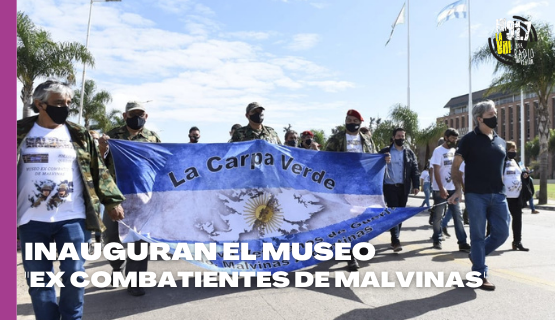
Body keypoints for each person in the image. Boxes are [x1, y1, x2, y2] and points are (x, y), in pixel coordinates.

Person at [17, 80, 125, 319]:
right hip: (31, 220)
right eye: (58, 103)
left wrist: (112, 201)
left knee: (74, 278)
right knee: (39, 282)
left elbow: (97, 170)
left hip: (72, 219)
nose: (64, 108)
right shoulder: (16, 132)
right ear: (39, 104)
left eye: (68, 103)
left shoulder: (78, 133)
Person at [99, 101, 161, 296]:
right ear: (125, 116)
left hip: (143, 197)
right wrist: (102, 147)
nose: (137, 117)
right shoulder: (113, 135)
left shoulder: (152, 138)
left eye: (140, 114)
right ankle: (117, 265)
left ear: (146, 116)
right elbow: (101, 163)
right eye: (133, 114)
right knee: (111, 238)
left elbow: (162, 163)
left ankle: (135, 281)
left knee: (140, 241)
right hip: (116, 196)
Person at [448, 100, 510, 291]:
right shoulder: (468, 140)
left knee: (502, 233)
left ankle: (477, 255)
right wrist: (459, 190)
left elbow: (499, 168)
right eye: (492, 114)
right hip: (476, 195)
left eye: (496, 113)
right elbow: (455, 167)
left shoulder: (500, 141)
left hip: (499, 195)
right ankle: (479, 274)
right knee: (477, 235)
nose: (496, 117)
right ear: (479, 118)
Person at [325, 109, 382, 271]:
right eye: (347, 119)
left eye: (353, 120)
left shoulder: (367, 141)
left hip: (362, 186)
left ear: (359, 122)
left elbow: (373, 159)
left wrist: (384, 160)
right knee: (346, 219)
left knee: (361, 218)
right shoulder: (336, 139)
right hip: (342, 185)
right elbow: (325, 159)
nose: (350, 122)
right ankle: (350, 256)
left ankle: (354, 248)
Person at [379, 128, 420, 253]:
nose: (401, 138)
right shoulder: (385, 151)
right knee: (394, 212)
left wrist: (416, 185)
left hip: (404, 187)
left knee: (400, 213)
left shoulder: (409, 153)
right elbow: (375, 166)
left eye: (403, 136)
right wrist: (382, 160)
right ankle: (395, 240)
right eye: (398, 136)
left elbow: (414, 169)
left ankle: (395, 237)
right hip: (389, 186)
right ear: (393, 137)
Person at [430, 128, 470, 252]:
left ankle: (462, 242)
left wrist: (462, 188)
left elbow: (459, 171)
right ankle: (437, 238)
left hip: (454, 189)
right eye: (452, 138)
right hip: (440, 189)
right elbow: (436, 170)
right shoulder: (438, 151)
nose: (454, 140)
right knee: (438, 216)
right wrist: (441, 188)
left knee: (458, 216)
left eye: (456, 138)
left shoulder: (456, 152)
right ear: (446, 137)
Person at [503, 141, 530, 251]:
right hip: (504, 196)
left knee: (517, 220)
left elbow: (521, 175)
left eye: (515, 150)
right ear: (506, 150)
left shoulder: (516, 162)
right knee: (497, 219)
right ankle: (488, 239)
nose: (514, 152)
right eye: (511, 150)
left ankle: (517, 242)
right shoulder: (502, 161)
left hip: (516, 196)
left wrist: (525, 175)